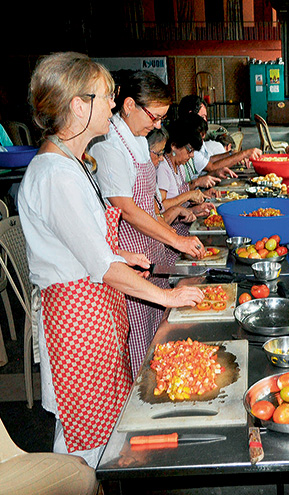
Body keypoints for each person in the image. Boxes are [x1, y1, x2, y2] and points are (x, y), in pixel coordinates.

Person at [17, 52, 203, 467]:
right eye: (106, 97)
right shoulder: (55, 176)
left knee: (101, 436)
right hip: (78, 327)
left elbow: (80, 247)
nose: (113, 104)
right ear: (78, 105)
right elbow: (99, 268)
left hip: (95, 317)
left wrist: (121, 252)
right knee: (85, 449)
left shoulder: (72, 164)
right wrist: (167, 298)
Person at [89, 70, 206, 378]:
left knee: (158, 328)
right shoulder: (110, 146)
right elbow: (126, 209)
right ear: (128, 105)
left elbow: (150, 205)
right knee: (141, 337)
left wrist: (169, 236)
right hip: (129, 252)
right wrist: (176, 240)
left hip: (148, 249)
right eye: (154, 117)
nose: (157, 125)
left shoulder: (137, 141)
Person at [178, 95, 261, 178]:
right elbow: (211, 167)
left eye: (206, 117)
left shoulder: (197, 137)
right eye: (203, 117)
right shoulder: (188, 142)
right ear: (191, 115)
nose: (206, 121)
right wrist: (244, 154)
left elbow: (208, 160)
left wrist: (232, 154)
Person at [147, 127, 205, 228]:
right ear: (174, 146)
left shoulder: (180, 167)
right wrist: (188, 195)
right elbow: (162, 207)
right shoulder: (162, 167)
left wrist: (195, 208)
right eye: (189, 150)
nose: (191, 155)